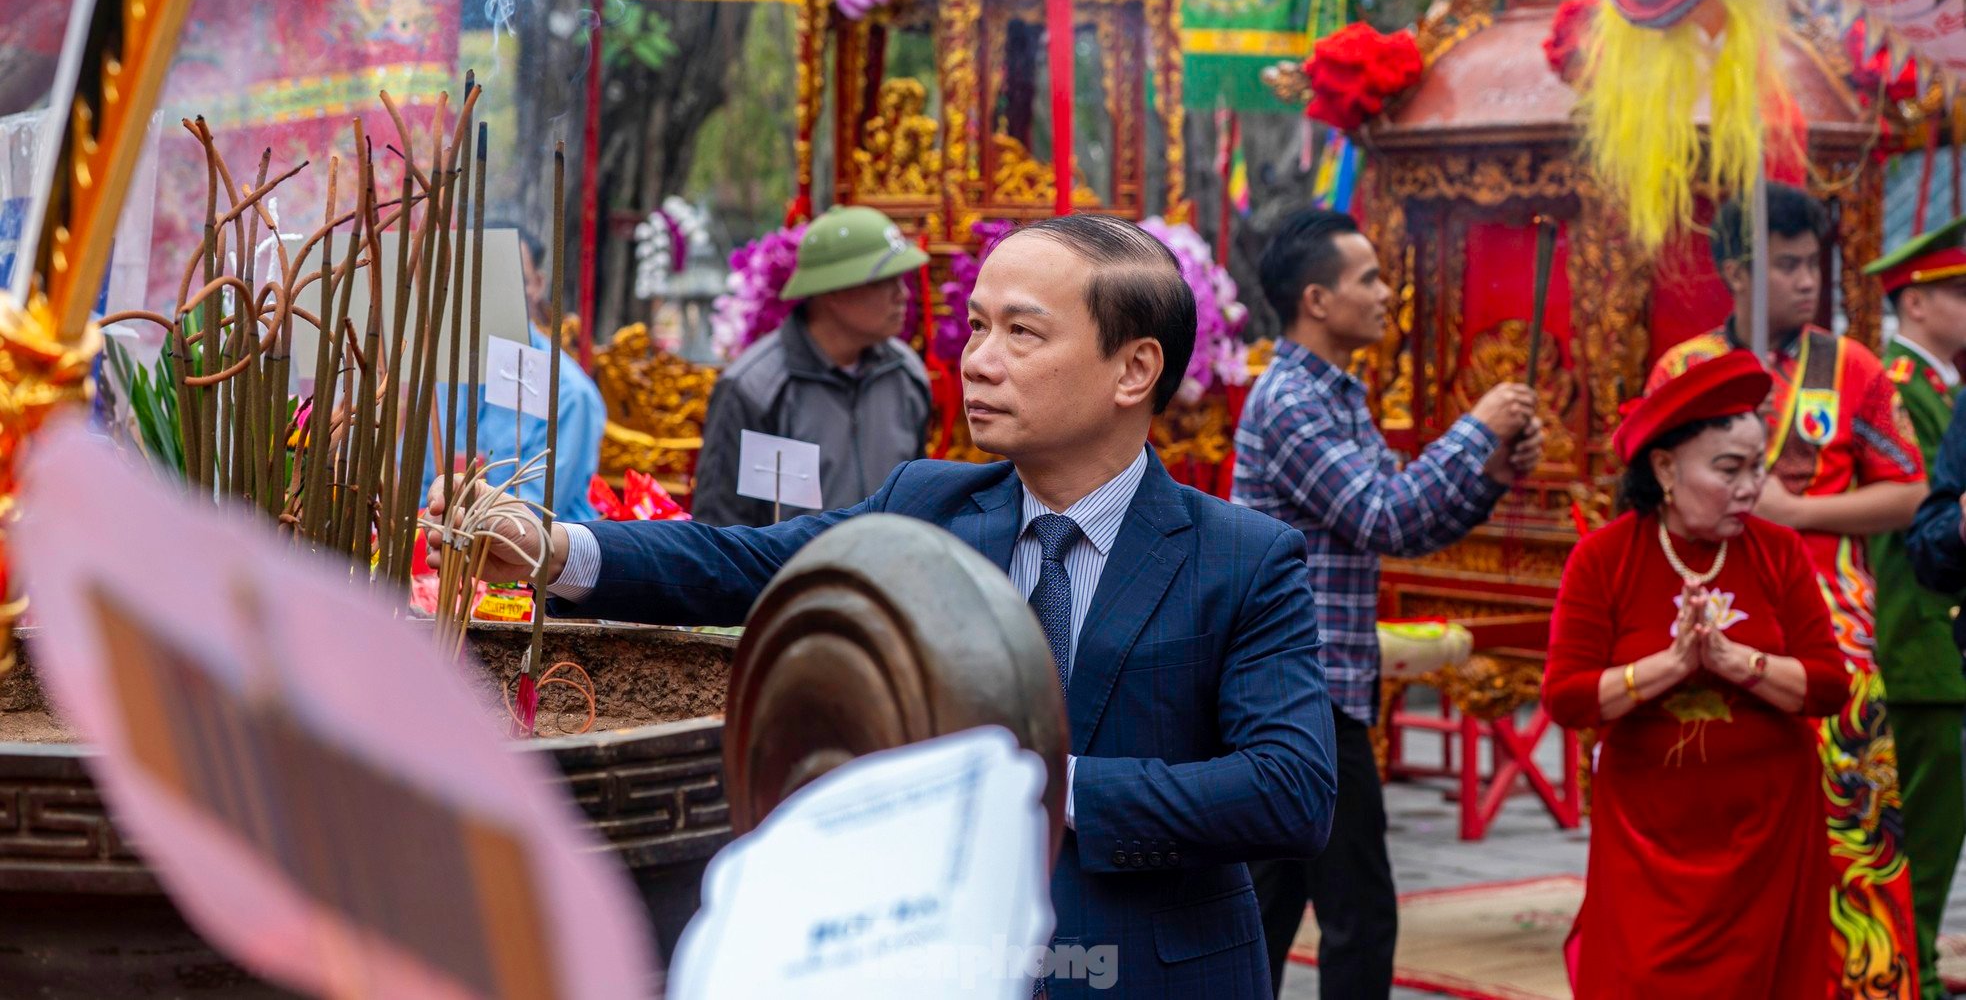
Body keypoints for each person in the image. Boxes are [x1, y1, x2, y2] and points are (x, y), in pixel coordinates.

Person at [434, 214, 1338, 998]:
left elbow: (1290, 790)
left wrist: (1032, 787)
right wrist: (555, 548)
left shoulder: (1240, 560)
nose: (977, 362)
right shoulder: (928, 506)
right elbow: (747, 564)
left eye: (1022, 334)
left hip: (1148, 973)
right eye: (976, 328)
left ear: (1134, 368)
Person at [1231, 207, 1544, 1000]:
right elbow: (1383, 513)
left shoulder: (1337, 394)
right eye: (1367, 278)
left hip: (1316, 687)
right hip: (1298, 690)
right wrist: (1475, 430)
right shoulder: (1291, 400)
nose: (1386, 293)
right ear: (1317, 300)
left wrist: (1492, 477)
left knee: (1279, 902)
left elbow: (1409, 523)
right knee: (1355, 910)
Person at [1647, 182, 1925, 996]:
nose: (1810, 282)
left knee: (1856, 829)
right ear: (1738, 269)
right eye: (1791, 265)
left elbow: (1909, 491)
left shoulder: (1854, 368)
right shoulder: (1687, 369)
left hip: (1831, 631)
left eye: (1817, 264)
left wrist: (1799, 510)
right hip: (1712, 619)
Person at [1543, 350, 1850, 998]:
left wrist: (1737, 662)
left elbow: (1828, 684)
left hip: (1768, 831)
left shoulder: (1777, 550)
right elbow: (1568, 697)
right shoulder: (1606, 558)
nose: (1748, 488)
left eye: (1756, 469)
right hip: (1648, 836)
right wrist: (1673, 665)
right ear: (1665, 467)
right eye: (1728, 469)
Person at [1864, 213, 1966, 999]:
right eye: (1960, 292)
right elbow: (1921, 530)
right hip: (1920, 641)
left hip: (1936, 645)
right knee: (1923, 851)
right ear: (1914, 300)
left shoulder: (1942, 388)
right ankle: (1915, 983)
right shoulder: (1902, 390)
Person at [692, 205, 932, 527]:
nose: (902, 295)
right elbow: (721, 527)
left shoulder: (905, 375)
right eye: (884, 281)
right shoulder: (755, 388)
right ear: (833, 290)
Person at [429, 229, 603, 523]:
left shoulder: (569, 394)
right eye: (481, 283)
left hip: (534, 558)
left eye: (509, 281)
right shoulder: (443, 380)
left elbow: (529, 515)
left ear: (537, 284)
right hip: (436, 546)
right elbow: (414, 485)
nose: (493, 295)